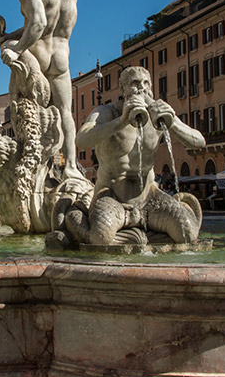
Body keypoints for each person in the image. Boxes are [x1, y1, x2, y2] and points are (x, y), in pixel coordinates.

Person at [75, 66, 207, 245]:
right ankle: (82, 228)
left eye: (146, 83)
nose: (141, 88)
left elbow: (199, 141)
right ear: (123, 89)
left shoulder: (157, 112)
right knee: (101, 237)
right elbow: (81, 139)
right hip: (112, 196)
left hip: (149, 198)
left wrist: (171, 123)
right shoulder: (107, 112)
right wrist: (121, 121)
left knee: (186, 233)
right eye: (135, 83)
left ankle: (136, 239)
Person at [0, 0, 82, 179]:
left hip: (38, 54)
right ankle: (71, 167)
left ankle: (28, 162)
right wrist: (8, 35)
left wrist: (15, 47)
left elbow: (39, 24)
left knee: (19, 103)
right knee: (66, 112)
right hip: (61, 56)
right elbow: (49, 27)